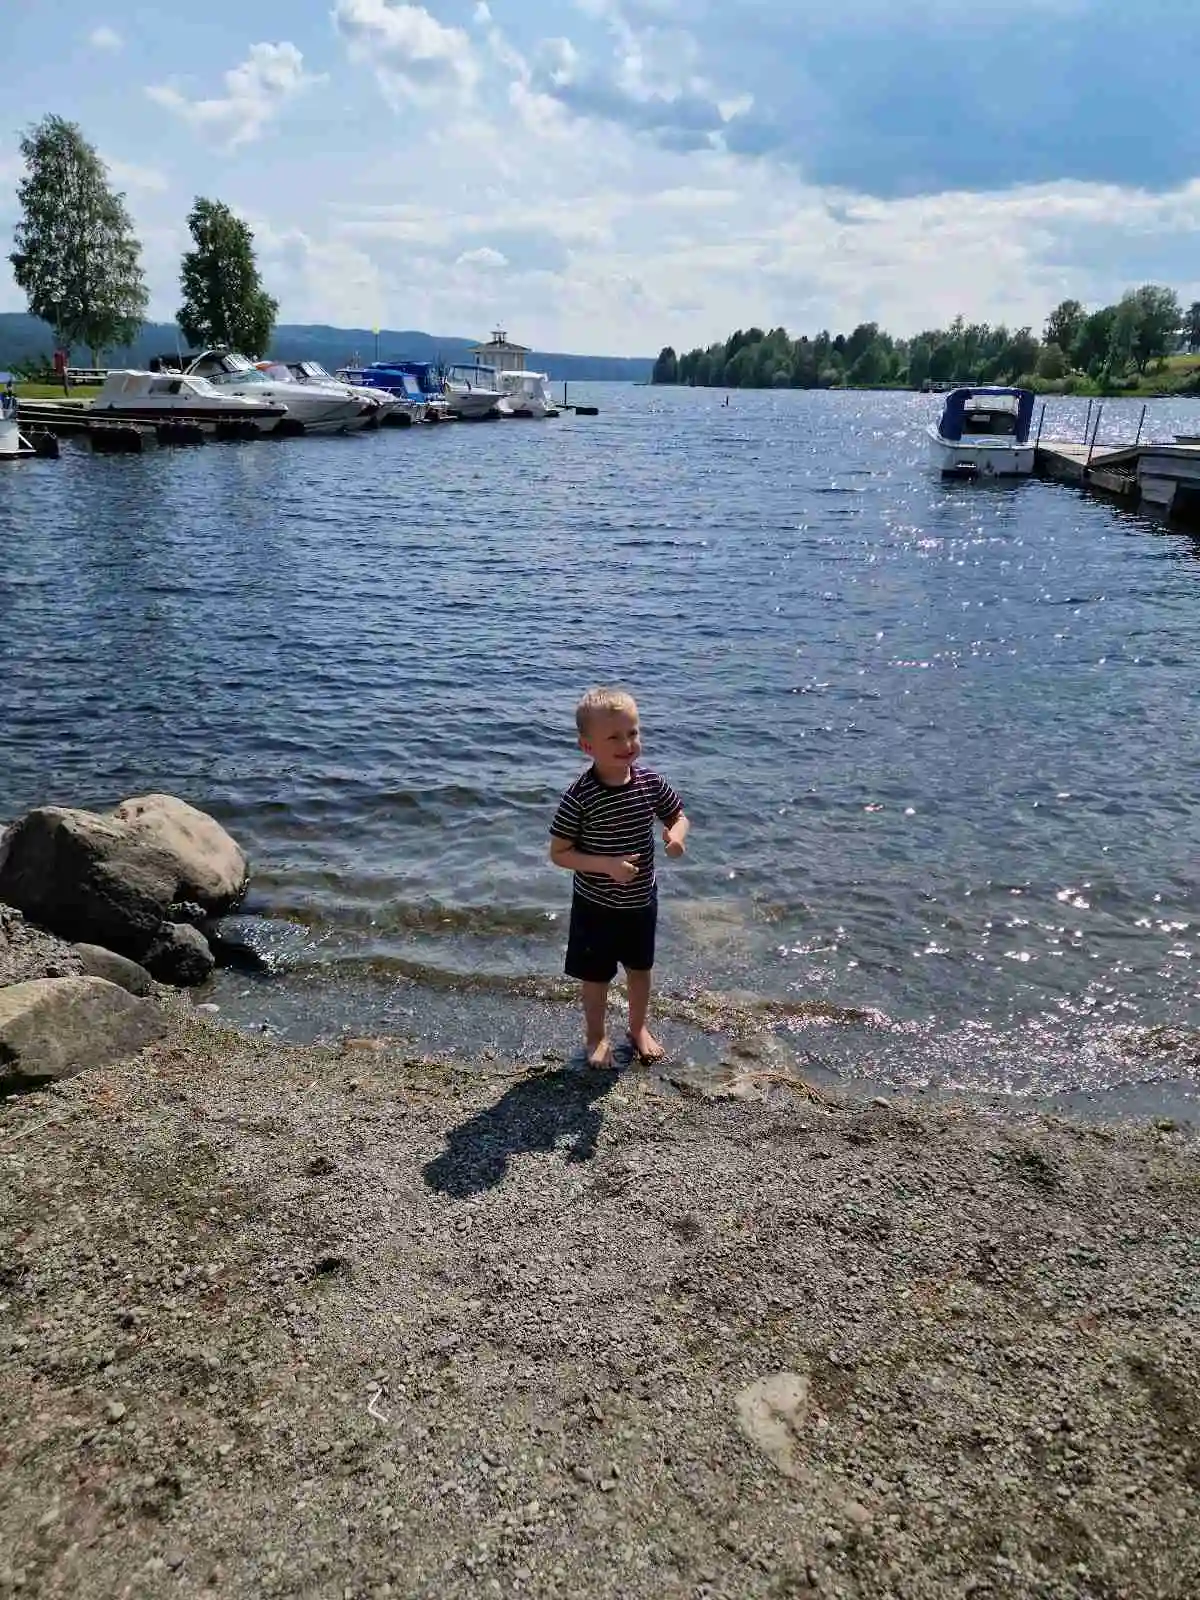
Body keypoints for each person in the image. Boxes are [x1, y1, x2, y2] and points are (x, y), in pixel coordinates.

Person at [549, 687, 690, 1068]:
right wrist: (607, 865)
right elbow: (559, 853)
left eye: (632, 733)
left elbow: (678, 814)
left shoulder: (648, 783)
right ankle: (596, 1037)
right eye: (614, 737)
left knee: (640, 970)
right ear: (587, 746)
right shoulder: (580, 796)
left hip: (641, 901)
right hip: (595, 906)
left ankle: (638, 1028)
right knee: (595, 977)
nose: (627, 743)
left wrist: (676, 835)